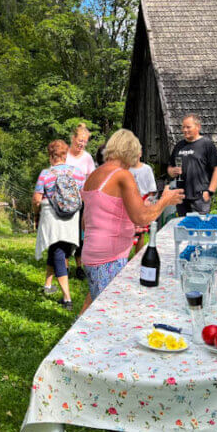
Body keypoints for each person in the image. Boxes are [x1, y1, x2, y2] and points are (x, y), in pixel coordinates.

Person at [81, 129, 184, 311]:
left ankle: (75, 337)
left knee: (92, 305)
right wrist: (165, 201)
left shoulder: (94, 175)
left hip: (91, 254)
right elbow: (143, 217)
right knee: (110, 313)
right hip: (109, 258)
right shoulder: (122, 175)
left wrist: (126, 225)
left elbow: (88, 221)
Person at [33, 140, 86, 310]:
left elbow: (36, 199)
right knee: (58, 249)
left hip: (52, 217)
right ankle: (48, 286)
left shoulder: (45, 174)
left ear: (51, 156)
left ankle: (67, 298)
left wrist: (36, 212)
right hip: (71, 218)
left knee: (57, 252)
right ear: (66, 155)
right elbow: (83, 196)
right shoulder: (78, 173)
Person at [167, 114, 217, 216]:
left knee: (199, 228)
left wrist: (209, 192)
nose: (185, 130)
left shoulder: (206, 144)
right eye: (183, 127)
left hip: (200, 197)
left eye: (188, 127)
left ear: (198, 127)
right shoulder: (179, 146)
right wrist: (172, 171)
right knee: (183, 229)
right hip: (181, 196)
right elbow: (170, 168)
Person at [65, 123, 96, 280]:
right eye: (80, 140)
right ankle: (64, 266)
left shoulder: (87, 158)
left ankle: (79, 266)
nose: (82, 144)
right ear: (73, 138)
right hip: (64, 202)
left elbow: (91, 180)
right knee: (65, 234)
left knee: (80, 235)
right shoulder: (64, 155)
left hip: (82, 201)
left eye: (85, 141)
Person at [129, 156, 158, 253]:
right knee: (127, 232)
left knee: (141, 233)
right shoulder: (125, 168)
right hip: (128, 202)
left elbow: (152, 190)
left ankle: (138, 257)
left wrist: (148, 201)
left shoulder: (147, 169)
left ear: (140, 153)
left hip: (143, 201)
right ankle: (124, 261)